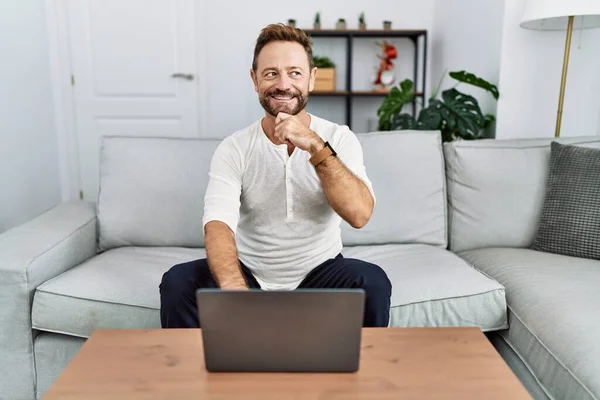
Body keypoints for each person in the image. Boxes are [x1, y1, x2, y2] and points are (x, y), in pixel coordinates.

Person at [159, 23, 391, 328]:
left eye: (295, 73)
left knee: (373, 282)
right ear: (255, 80)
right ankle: (196, 374)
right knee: (177, 282)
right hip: (250, 274)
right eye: (271, 74)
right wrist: (236, 293)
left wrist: (315, 146)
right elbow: (218, 225)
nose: (283, 84)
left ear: (311, 79)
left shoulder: (340, 138)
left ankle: (359, 374)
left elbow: (360, 215)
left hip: (320, 274)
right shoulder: (234, 148)